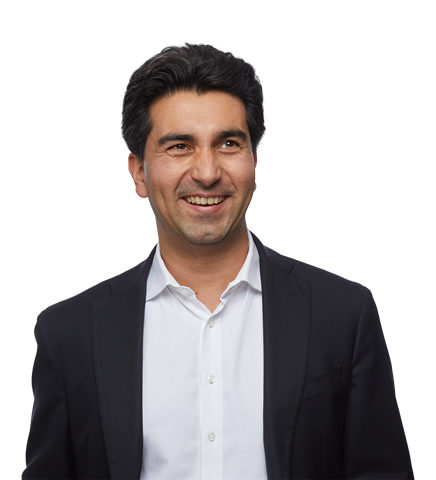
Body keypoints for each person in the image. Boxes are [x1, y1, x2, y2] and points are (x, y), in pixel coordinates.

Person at [23, 43, 413, 479]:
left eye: (228, 143)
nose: (207, 172)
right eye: (179, 146)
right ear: (138, 172)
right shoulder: (69, 333)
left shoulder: (343, 313)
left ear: (254, 162)